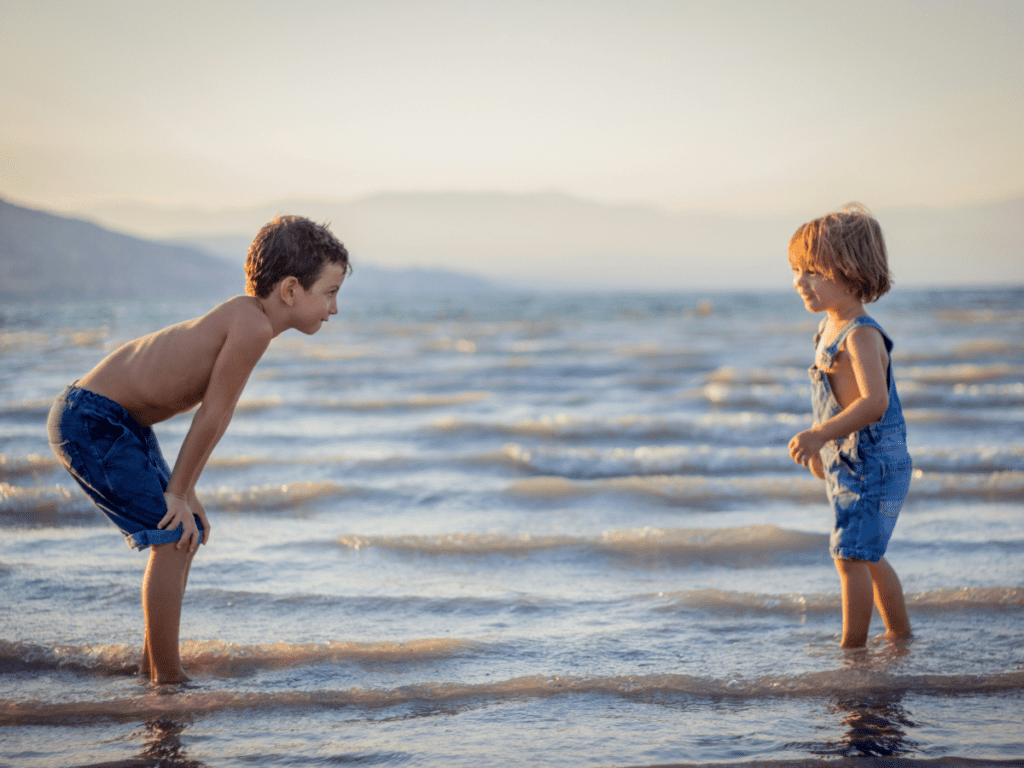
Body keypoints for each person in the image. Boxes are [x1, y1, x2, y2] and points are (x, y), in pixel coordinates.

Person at [47, 216, 350, 683]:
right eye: (329, 293)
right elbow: (214, 415)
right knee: (170, 536)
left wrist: (186, 493)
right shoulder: (251, 326)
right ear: (290, 290)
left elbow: (210, 416)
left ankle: (152, 668)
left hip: (119, 422)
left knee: (188, 531)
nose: (333, 308)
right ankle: (166, 681)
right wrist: (178, 492)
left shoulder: (249, 319)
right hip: (90, 420)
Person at [786, 203, 913, 649]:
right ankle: (899, 637)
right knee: (867, 555)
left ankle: (852, 650)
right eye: (797, 270)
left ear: (848, 269)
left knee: (850, 558)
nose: (800, 281)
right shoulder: (827, 328)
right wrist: (825, 448)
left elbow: (874, 403)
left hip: (873, 462)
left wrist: (821, 435)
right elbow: (833, 402)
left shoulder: (860, 334)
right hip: (851, 460)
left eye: (812, 271)